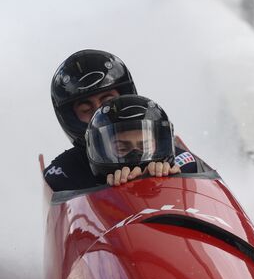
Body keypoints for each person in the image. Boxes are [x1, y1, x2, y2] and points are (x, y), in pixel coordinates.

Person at [44, 49, 201, 192]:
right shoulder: (62, 173)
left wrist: (165, 178)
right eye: (86, 109)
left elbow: (190, 169)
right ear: (71, 118)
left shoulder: (173, 157)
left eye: (107, 101)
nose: (99, 114)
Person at [85, 94, 198, 185]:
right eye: (122, 148)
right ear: (103, 150)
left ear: (158, 145)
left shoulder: (184, 163)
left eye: (145, 146)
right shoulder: (79, 177)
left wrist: (175, 180)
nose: (136, 155)